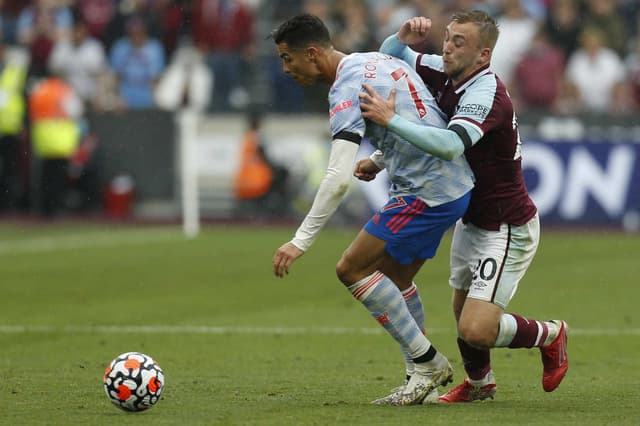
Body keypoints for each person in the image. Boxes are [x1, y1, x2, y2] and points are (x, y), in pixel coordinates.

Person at [358, 11, 568, 403]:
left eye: (460, 42)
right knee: (461, 309)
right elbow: (390, 57)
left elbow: (450, 145)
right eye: (449, 37)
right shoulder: (444, 69)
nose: (448, 46)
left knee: (475, 328)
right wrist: (400, 36)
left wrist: (390, 122)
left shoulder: (487, 94)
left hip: (505, 225)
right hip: (470, 218)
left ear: (483, 55)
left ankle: (550, 334)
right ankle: (480, 384)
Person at [270, 13, 475, 405]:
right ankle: (420, 378)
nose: (285, 68)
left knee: (351, 268)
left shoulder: (346, 87)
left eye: (286, 58)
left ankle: (428, 363)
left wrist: (300, 241)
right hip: (451, 185)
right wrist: (381, 158)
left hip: (426, 192)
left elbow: (337, 177)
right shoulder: (377, 60)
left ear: (312, 53)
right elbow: (422, 111)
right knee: (395, 279)